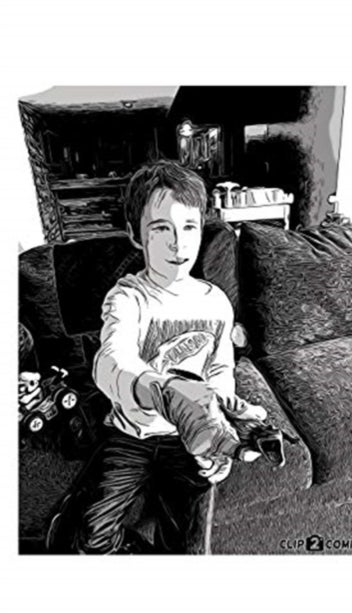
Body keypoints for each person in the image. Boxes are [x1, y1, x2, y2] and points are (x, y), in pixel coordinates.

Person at [49, 159, 266, 555]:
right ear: (136, 235)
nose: (178, 244)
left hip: (185, 439)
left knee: (187, 543)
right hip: (130, 433)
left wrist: (220, 417)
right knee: (86, 537)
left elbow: (220, 367)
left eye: (189, 227)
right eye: (161, 228)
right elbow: (112, 360)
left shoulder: (216, 302)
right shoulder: (128, 297)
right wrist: (161, 390)